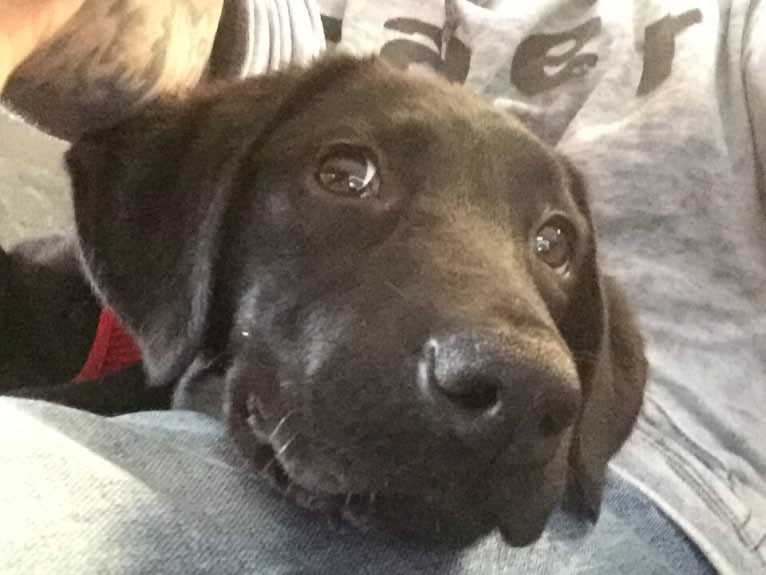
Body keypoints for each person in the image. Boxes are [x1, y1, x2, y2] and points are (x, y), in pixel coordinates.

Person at [1, 1, 765, 573]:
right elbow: (182, 42)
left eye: (551, 243)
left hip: (648, 479)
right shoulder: (310, 52)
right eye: (347, 174)